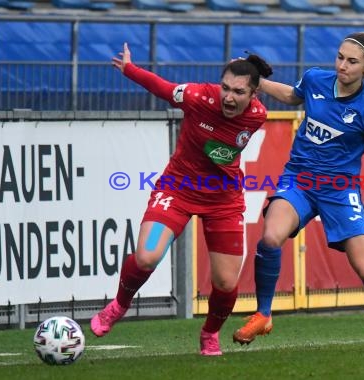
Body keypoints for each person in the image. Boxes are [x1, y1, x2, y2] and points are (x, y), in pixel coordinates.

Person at [232, 31, 364, 351]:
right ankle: (263, 314)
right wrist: (254, 82)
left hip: (340, 192)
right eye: (340, 57)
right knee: (271, 236)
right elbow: (291, 95)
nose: (342, 65)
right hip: (299, 180)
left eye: (352, 61)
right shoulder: (315, 79)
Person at [90, 43, 273, 356]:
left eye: (239, 92)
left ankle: (209, 334)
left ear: (254, 94)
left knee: (227, 283)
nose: (229, 97)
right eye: (225, 88)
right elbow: (162, 87)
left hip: (223, 199)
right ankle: (118, 306)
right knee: (147, 256)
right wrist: (131, 69)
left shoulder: (258, 115)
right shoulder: (197, 96)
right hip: (178, 188)